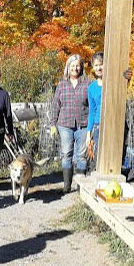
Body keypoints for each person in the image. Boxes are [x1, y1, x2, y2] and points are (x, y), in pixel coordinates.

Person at [49, 54, 91, 192]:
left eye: (78, 65)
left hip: (83, 124)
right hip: (65, 125)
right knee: (66, 154)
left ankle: (81, 187)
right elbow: (56, 105)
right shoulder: (61, 85)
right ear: (68, 68)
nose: (75, 68)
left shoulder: (88, 83)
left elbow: (92, 104)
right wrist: (53, 124)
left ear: (81, 67)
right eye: (72, 66)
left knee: (81, 155)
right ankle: (67, 186)